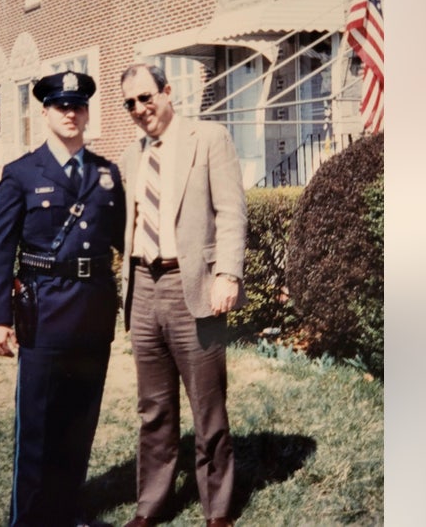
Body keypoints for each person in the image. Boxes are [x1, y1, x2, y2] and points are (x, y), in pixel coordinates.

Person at [0, 70, 126, 527]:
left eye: (78, 106)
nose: (70, 113)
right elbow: (0, 248)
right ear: (44, 113)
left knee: (79, 423)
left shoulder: (106, 173)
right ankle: (27, 520)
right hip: (43, 313)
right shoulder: (22, 173)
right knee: (38, 429)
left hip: (93, 313)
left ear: (87, 113)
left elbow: (124, 236)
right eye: (61, 106)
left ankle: (67, 513)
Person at [117, 63, 247, 527]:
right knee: (153, 408)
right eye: (129, 102)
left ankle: (217, 510)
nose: (139, 109)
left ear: (168, 92)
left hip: (192, 287)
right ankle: (150, 507)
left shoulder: (209, 139)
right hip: (143, 290)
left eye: (146, 97)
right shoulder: (131, 157)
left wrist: (227, 273)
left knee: (207, 405)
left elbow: (231, 211)